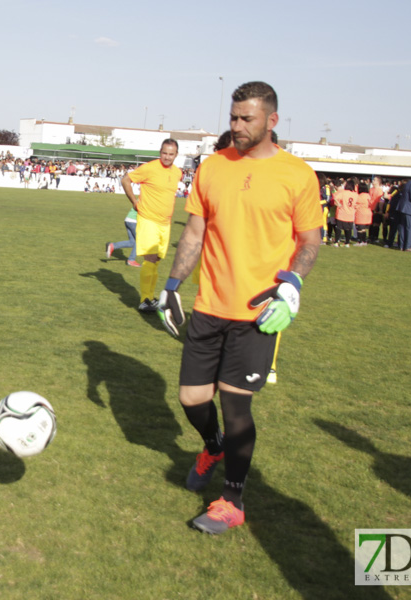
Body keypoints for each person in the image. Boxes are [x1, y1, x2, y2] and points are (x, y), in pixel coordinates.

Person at [155, 81, 322, 535]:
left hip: (258, 313)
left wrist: (293, 286)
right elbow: (193, 233)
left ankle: (232, 499)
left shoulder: (297, 175)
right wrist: (171, 287)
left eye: (246, 119)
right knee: (191, 398)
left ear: (272, 120)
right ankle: (212, 446)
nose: (237, 126)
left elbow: (310, 241)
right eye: (233, 117)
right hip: (209, 306)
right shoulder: (213, 168)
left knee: (236, 406)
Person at [119, 139, 183, 312]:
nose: (167, 157)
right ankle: (145, 299)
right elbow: (126, 180)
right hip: (148, 220)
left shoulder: (177, 172)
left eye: (171, 154)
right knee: (151, 258)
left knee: (157, 260)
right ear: (160, 152)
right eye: (164, 153)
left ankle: (150, 297)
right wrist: (134, 202)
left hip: (165, 223)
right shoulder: (149, 168)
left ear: (176, 155)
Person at [387, 171, 411, 251]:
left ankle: (402, 245)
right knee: (409, 228)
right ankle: (408, 246)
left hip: (404, 208)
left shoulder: (409, 183)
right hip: (409, 209)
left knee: (402, 227)